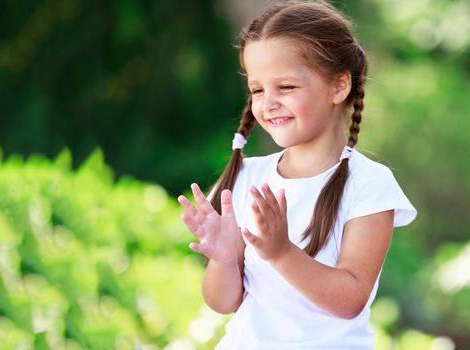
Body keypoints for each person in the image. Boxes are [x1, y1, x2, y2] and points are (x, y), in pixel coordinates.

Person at [177, 1, 417, 348]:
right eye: (258, 89)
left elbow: (350, 300)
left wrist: (281, 252)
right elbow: (221, 303)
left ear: (338, 86)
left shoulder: (370, 185)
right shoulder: (247, 177)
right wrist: (224, 258)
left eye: (286, 87)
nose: (268, 102)